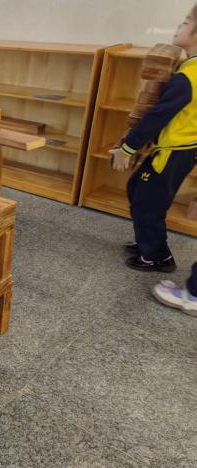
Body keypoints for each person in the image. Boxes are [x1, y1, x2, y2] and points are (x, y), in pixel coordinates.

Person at [109, 5, 197, 272]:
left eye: (186, 22)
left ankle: (158, 257)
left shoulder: (187, 78)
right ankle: (146, 241)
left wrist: (128, 148)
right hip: (179, 150)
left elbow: (156, 116)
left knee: (148, 203)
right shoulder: (189, 68)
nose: (179, 26)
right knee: (137, 189)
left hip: (173, 152)